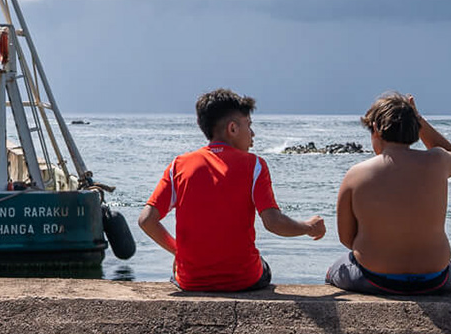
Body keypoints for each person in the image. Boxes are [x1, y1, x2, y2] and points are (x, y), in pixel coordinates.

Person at [139, 88, 324, 292]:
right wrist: (308, 226)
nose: (253, 134)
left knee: (178, 271)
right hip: (244, 280)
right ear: (233, 128)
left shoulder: (178, 166)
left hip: (191, 281)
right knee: (263, 266)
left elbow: (146, 220)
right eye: (249, 125)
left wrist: (177, 252)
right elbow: (274, 223)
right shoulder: (254, 165)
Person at [328, 92, 451, 296]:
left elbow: (347, 239)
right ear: (415, 127)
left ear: (375, 129)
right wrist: (418, 119)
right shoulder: (438, 161)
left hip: (376, 279)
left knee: (335, 271)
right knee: (449, 267)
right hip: (435, 279)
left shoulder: (356, 174)